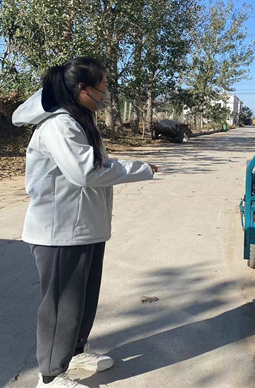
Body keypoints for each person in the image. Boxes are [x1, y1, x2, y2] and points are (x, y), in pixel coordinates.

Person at [12, 57, 157, 388]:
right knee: (61, 306)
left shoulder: (80, 119)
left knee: (83, 301)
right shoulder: (59, 125)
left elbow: (96, 165)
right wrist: (140, 169)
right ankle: (50, 376)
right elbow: (87, 172)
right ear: (82, 89)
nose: (104, 96)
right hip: (60, 232)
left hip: (85, 229)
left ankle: (74, 353)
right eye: (101, 89)